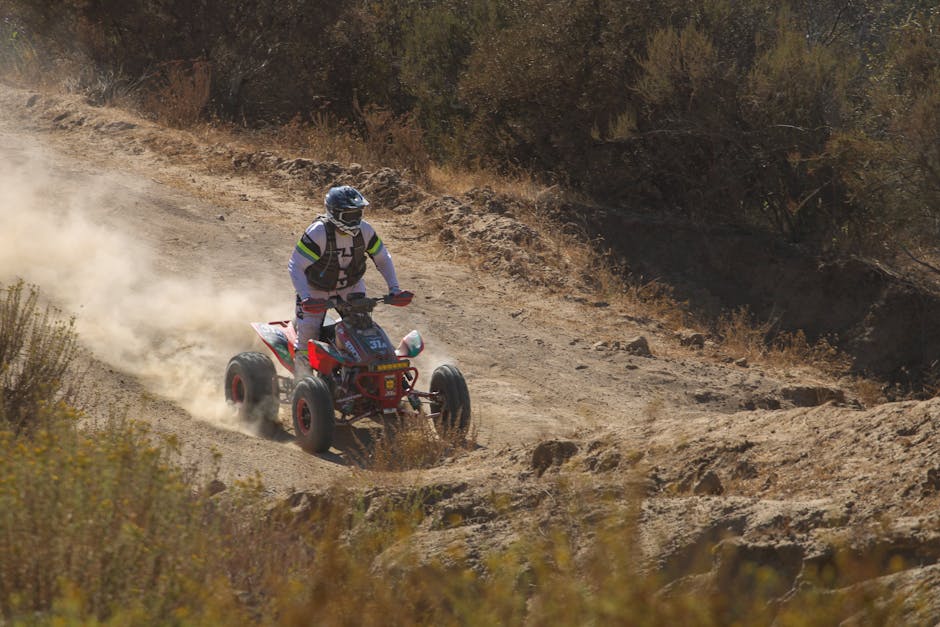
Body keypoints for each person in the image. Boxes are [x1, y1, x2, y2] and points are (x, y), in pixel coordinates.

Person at [288, 185, 406, 377]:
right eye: (349, 215)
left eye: (358, 214)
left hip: (350, 287)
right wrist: (306, 297)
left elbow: (383, 258)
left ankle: (363, 376)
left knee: (363, 328)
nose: (356, 220)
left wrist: (395, 289)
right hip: (316, 289)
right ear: (334, 213)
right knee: (308, 335)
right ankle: (303, 383)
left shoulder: (365, 230)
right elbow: (296, 265)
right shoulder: (318, 232)